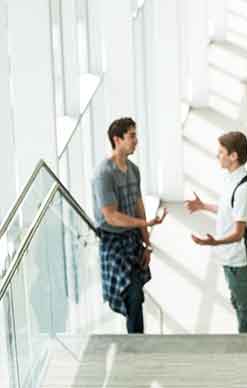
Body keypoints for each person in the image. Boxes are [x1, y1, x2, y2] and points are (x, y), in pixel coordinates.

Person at [186, 131, 247, 333]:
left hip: (238, 260)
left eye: (221, 152)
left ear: (234, 156)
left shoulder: (244, 189)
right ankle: (244, 342)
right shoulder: (232, 179)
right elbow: (229, 210)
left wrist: (213, 242)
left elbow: (239, 232)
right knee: (239, 304)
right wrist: (204, 206)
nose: (217, 156)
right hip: (229, 258)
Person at [93, 117, 167, 334]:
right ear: (117, 139)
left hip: (132, 239)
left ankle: (136, 342)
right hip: (112, 242)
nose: (136, 141)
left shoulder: (134, 170)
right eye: (132, 136)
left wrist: (147, 243)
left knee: (135, 296)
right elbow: (111, 216)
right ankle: (136, 346)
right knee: (132, 296)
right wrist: (145, 223)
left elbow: (138, 206)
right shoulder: (103, 174)